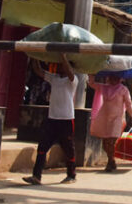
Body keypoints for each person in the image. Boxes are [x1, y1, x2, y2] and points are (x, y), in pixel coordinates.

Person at [23, 54, 80, 185]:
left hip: (66, 119)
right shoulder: (54, 78)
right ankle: (36, 176)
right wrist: (34, 55)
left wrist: (62, 56)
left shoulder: (73, 80)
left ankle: (71, 175)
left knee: (68, 148)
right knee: (42, 147)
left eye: (62, 65)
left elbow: (69, 72)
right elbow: (38, 71)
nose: (59, 66)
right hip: (52, 118)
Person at [87, 73, 132, 172]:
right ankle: (112, 160)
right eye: (112, 77)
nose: (113, 79)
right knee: (105, 143)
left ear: (120, 79)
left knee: (111, 141)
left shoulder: (123, 90)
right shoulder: (104, 87)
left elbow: (129, 104)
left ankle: (110, 162)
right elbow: (91, 84)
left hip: (117, 119)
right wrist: (91, 74)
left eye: (116, 77)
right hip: (104, 118)